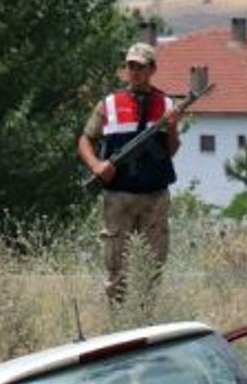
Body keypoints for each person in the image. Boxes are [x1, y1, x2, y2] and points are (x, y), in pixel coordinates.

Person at [76, 42, 180, 303]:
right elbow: (85, 140)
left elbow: (171, 150)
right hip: (119, 197)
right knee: (116, 268)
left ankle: (147, 317)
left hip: (155, 197)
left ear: (152, 69)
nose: (134, 72)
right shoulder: (109, 104)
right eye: (130, 66)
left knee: (152, 267)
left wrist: (172, 127)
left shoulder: (166, 104)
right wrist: (97, 166)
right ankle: (118, 318)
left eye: (140, 67)